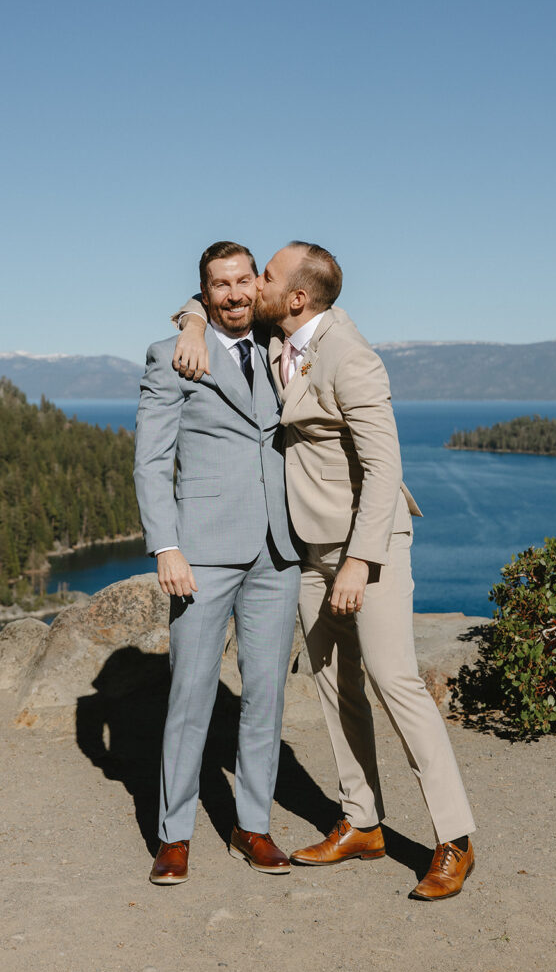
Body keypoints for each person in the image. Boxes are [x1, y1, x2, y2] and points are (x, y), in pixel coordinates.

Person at [171, 241, 476, 900]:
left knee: (395, 684)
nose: (252, 285)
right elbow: (204, 299)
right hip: (309, 545)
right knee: (335, 686)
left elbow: (384, 465)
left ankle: (453, 839)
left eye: (267, 277)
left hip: (368, 546)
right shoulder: (277, 329)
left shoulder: (349, 356)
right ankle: (362, 820)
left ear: (297, 298)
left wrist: (359, 563)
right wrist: (194, 325)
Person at [134, 241, 301, 885]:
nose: (231, 294)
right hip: (200, 554)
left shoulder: (276, 342)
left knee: (266, 695)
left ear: (258, 284)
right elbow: (151, 461)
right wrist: (165, 546)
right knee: (191, 695)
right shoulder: (173, 356)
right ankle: (174, 835)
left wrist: (195, 317)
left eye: (241, 281)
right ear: (203, 292)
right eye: (216, 286)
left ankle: (251, 826)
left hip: (277, 551)